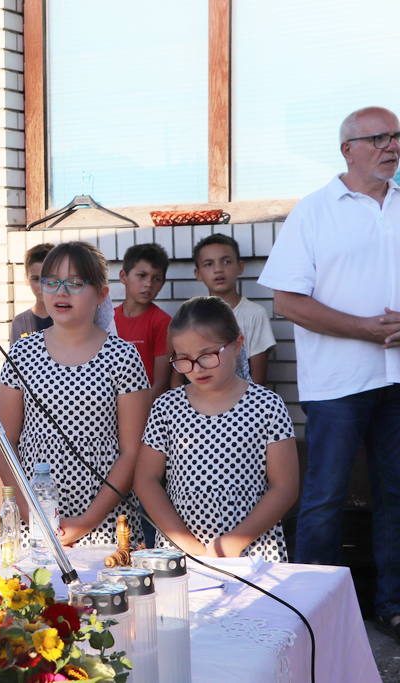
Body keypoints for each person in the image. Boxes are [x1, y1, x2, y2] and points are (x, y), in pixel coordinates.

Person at [257, 106, 400, 641]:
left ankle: (392, 606)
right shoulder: (314, 211)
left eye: (396, 137)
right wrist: (362, 328)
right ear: (348, 150)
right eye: (379, 138)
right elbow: (288, 303)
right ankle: (309, 610)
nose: (392, 146)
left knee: (397, 496)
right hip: (339, 384)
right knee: (324, 498)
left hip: (397, 380)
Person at [0, 241, 151, 549]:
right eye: (51, 282)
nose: (61, 292)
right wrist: (29, 511)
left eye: (75, 283)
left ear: (102, 294)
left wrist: (87, 521)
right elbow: (4, 440)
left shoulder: (123, 357)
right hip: (36, 517)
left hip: (105, 519)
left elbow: (132, 452)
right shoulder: (22, 353)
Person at [134, 297, 299, 562]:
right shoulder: (166, 407)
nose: (197, 368)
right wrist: (187, 544)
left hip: (251, 550)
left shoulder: (267, 406)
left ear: (237, 344)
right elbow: (146, 479)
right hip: (182, 551)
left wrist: (233, 542)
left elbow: (284, 487)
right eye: (184, 359)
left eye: (208, 355)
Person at [193, 234, 276, 385]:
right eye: (209, 264)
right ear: (198, 274)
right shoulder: (192, 316)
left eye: (226, 262)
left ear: (240, 267)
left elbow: (258, 380)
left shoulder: (255, 314)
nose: (218, 269)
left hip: (244, 398)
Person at [114, 243, 172, 402]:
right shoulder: (108, 319)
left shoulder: (162, 322)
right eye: (142, 275)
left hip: (146, 409)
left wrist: (139, 413)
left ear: (162, 283)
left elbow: (161, 384)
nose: (149, 284)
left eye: (156, 279)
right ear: (123, 276)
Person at [10, 243, 54, 343]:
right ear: (26, 279)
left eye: (48, 279)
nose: (42, 285)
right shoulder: (20, 322)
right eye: (36, 279)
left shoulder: (68, 318)